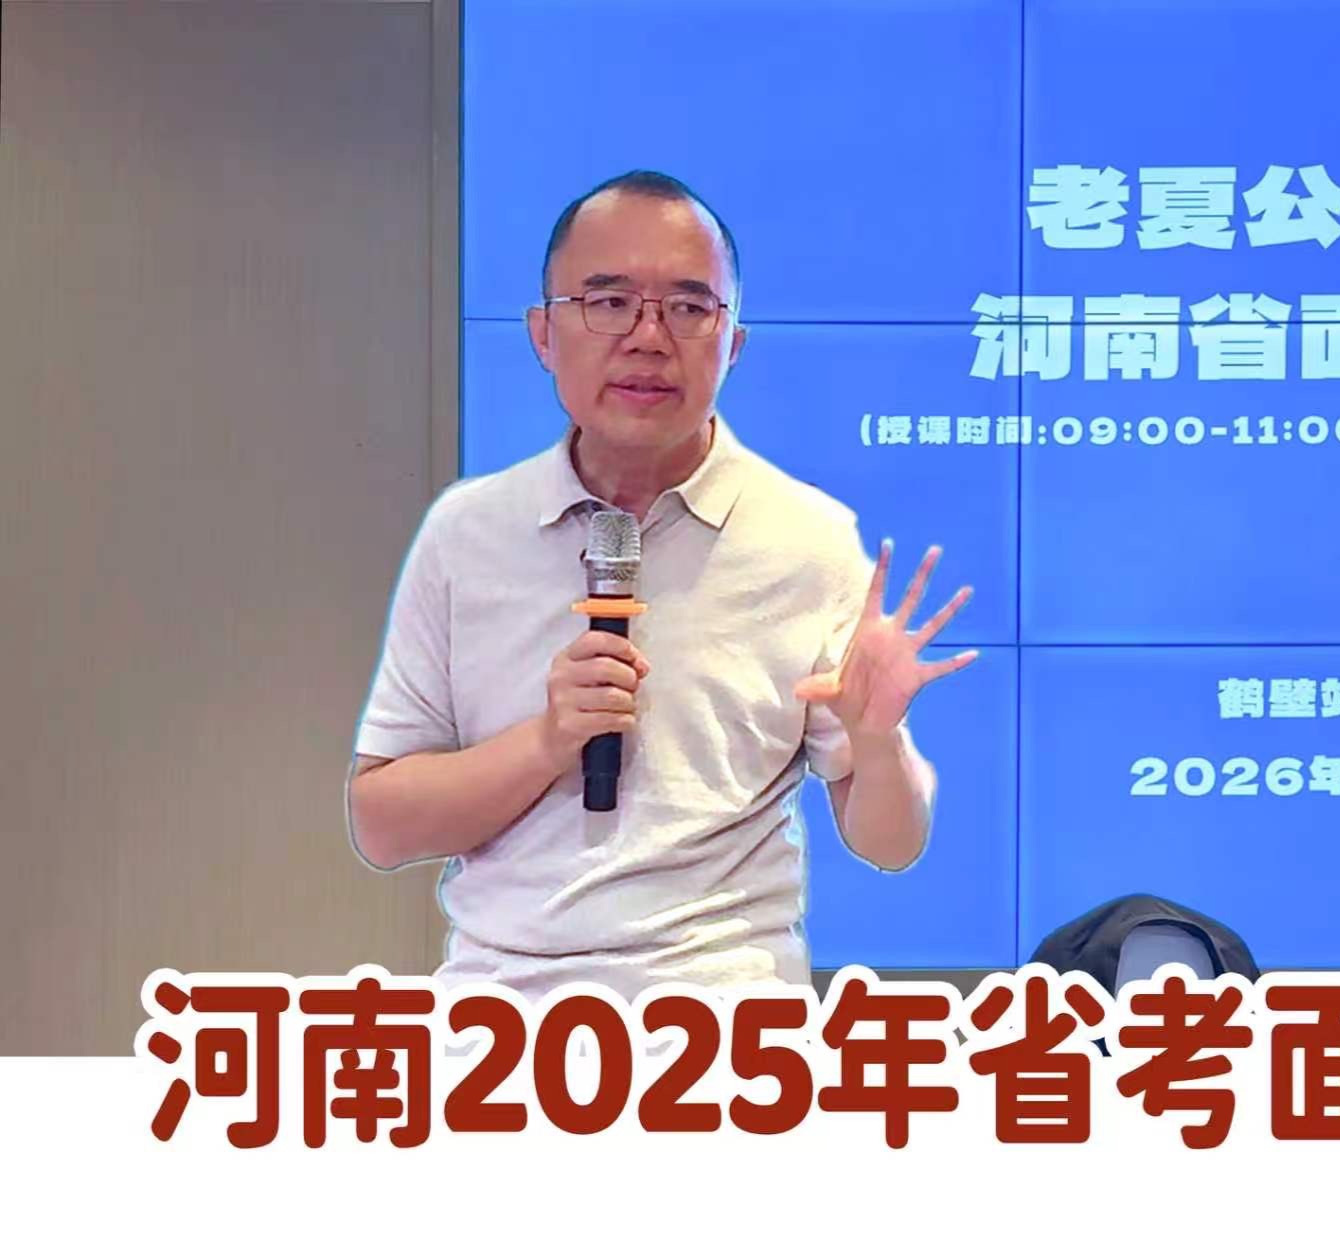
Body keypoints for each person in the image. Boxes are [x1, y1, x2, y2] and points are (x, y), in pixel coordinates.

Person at [346, 170, 976, 1000]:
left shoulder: (809, 539)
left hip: (729, 1022)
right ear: (542, 334)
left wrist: (877, 737)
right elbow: (381, 827)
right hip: (500, 1018)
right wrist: (546, 741)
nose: (648, 338)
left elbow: (892, 844)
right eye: (609, 303)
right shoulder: (467, 533)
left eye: (687, 308)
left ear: (733, 343)